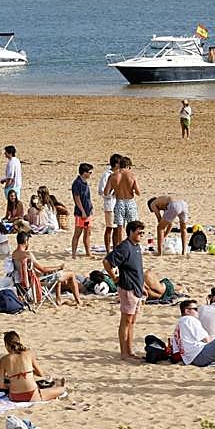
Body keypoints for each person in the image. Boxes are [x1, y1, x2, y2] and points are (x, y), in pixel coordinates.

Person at [103, 221, 145, 362]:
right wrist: (114, 278)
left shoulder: (136, 246)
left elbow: (137, 268)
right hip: (128, 288)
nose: (141, 235)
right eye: (139, 232)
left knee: (132, 321)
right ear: (131, 232)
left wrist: (142, 286)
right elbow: (107, 262)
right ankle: (124, 353)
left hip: (137, 288)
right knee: (126, 321)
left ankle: (130, 350)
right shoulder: (125, 247)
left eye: (142, 233)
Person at [11, 232, 82, 306]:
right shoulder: (27, 254)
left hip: (23, 281)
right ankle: (78, 301)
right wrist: (59, 267)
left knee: (55, 272)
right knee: (71, 274)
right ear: (26, 242)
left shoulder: (14, 254)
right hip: (37, 280)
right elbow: (42, 269)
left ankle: (59, 299)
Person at [0, 331, 65, 402]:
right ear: (18, 341)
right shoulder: (29, 353)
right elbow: (41, 374)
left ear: (6, 345)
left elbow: (1, 385)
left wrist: (11, 384)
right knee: (61, 389)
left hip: (14, 396)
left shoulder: (3, 360)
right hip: (32, 395)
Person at [104, 156, 140, 239]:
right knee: (133, 225)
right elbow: (138, 192)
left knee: (120, 227)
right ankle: (132, 245)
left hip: (119, 202)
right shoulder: (132, 176)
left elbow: (106, 192)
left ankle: (121, 246)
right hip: (130, 202)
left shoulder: (113, 176)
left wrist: (116, 189)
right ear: (127, 166)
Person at [99, 154, 121, 252]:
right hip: (110, 205)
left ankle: (116, 249)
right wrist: (113, 192)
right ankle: (108, 250)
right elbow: (101, 191)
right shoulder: (106, 175)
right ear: (116, 164)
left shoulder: (119, 174)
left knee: (117, 228)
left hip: (118, 204)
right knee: (109, 228)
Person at [71, 163, 94, 259]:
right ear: (84, 173)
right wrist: (82, 211)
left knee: (87, 232)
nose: (91, 174)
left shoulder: (84, 182)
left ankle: (88, 252)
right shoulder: (77, 183)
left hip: (88, 212)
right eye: (90, 172)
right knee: (77, 233)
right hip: (81, 213)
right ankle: (74, 254)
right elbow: (77, 198)